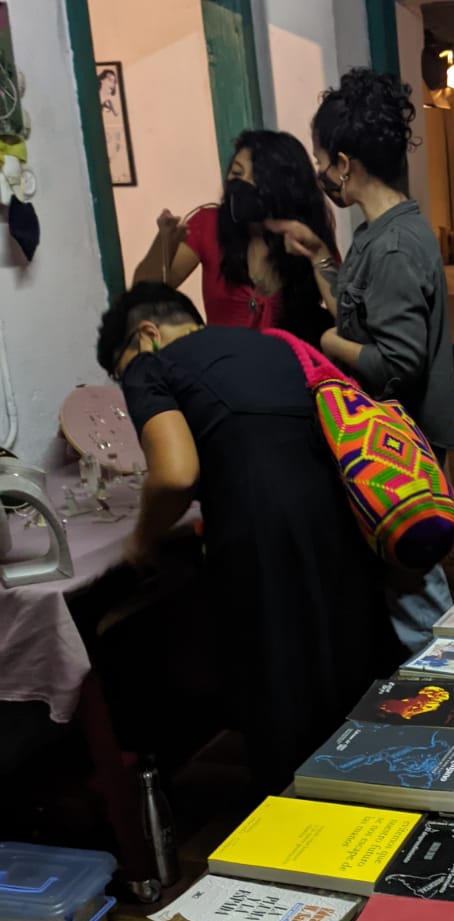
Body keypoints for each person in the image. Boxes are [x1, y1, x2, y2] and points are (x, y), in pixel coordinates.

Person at [97, 283, 399, 790]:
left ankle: (301, 832)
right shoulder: (275, 343)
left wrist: (141, 540)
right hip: (341, 521)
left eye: (121, 368)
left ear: (146, 334)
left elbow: (174, 474)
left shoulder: (152, 365)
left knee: (281, 695)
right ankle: (384, 798)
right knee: (350, 672)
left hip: (261, 537)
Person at [265, 68, 454, 655]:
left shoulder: (395, 247)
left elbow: (395, 364)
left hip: (403, 453)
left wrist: (324, 344)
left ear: (345, 163)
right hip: (397, 444)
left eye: (324, 161)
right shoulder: (384, 232)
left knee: (416, 596)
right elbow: (364, 319)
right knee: (406, 589)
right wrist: (324, 259)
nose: (323, 174)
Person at [134, 130, 336, 342]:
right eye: (237, 174)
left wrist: (316, 254)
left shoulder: (306, 233)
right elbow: (143, 294)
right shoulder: (209, 224)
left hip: (292, 365)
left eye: (256, 177)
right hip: (225, 367)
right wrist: (163, 243)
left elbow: (341, 309)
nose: (242, 185)